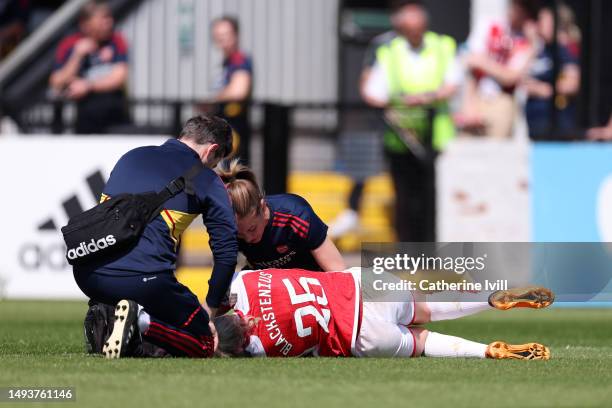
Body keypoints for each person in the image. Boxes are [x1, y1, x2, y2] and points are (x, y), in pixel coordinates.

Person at [74, 115, 238, 359]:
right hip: (143, 281)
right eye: (216, 162)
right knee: (204, 343)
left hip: (87, 274)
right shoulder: (207, 180)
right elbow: (226, 253)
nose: (213, 168)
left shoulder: (132, 156)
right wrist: (211, 308)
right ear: (212, 150)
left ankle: (108, 315)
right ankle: (140, 323)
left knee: (149, 305)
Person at [213, 267, 553, 359]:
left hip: (358, 334)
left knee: (421, 341)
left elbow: (246, 346)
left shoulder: (259, 348)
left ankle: (485, 352)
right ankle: (488, 298)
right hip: (359, 284)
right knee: (422, 308)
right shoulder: (247, 281)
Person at [361, 0, 460, 242]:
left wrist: (425, 98)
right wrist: (393, 104)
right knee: (404, 198)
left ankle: (433, 251)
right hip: (400, 138)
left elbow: (453, 83)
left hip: (435, 139)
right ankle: (407, 253)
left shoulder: (443, 46)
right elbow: (372, 91)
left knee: (432, 198)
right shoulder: (389, 51)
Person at [217, 160, 346, 272]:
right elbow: (221, 280)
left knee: (365, 265)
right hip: (268, 287)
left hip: (313, 283)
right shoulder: (228, 230)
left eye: (252, 229)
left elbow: (338, 272)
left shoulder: (296, 215)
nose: (248, 239)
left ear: (262, 206)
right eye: (240, 234)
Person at [457, 0, 539, 138]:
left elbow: (511, 77)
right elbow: (471, 61)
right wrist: (469, 104)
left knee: (496, 152)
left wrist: (484, 63)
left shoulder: (528, 40)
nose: (516, 10)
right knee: (467, 150)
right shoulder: (490, 25)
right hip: (477, 97)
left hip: (502, 101)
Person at [49, 0, 129, 134]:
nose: (109, 23)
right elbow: (56, 82)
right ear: (85, 24)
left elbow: (119, 77)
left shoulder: (116, 41)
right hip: (81, 116)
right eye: (103, 19)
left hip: (114, 112)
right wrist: (77, 55)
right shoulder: (69, 44)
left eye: (109, 18)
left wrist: (88, 85)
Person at [524, 4, 580, 139]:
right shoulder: (538, 48)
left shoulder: (565, 49)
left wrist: (544, 89)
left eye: (542, 20)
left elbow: (572, 83)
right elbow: (520, 78)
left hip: (558, 123)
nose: (537, 25)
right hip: (532, 123)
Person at [210, 16, 253, 164]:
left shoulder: (239, 60)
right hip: (224, 131)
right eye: (218, 35)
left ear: (235, 35)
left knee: (231, 177)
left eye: (225, 34)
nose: (221, 39)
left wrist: (213, 100)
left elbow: (239, 90)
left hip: (234, 131)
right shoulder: (226, 63)